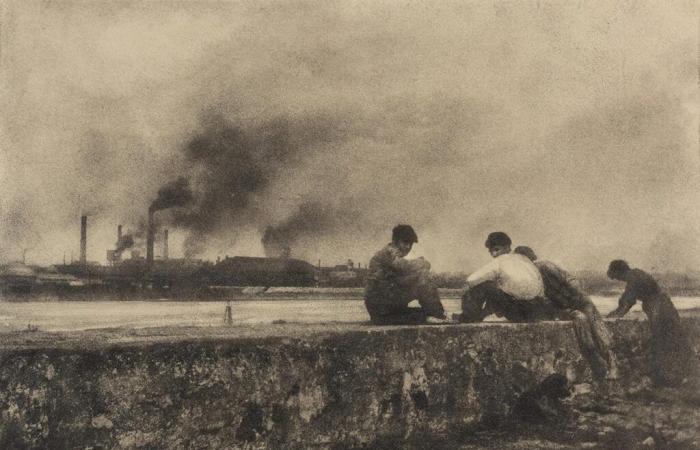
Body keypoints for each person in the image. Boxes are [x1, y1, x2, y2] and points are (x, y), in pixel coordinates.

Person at [514, 246, 617, 380]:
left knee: (596, 329)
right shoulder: (529, 276)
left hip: (577, 300)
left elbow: (570, 282)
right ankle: (599, 366)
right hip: (562, 306)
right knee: (581, 324)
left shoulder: (544, 266)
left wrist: (577, 300)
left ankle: (613, 365)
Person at [607, 260, 692, 387]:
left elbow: (628, 301)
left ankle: (668, 378)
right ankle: (676, 377)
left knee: (663, 341)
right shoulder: (636, 274)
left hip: (659, 309)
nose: (619, 280)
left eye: (617, 277)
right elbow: (627, 299)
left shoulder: (633, 278)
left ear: (620, 271)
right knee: (671, 340)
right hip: (663, 307)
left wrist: (614, 316)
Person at [458, 232, 551, 323]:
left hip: (517, 313)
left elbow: (471, 280)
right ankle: (480, 315)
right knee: (500, 289)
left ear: (507, 247)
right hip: (535, 312)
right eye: (491, 252)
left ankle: (469, 317)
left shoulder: (500, 260)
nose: (494, 254)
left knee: (485, 286)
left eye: (496, 249)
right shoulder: (525, 260)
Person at [364, 224, 448, 325]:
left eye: (411, 244)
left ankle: (436, 315)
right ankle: (438, 315)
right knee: (423, 276)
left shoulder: (391, 254)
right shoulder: (387, 252)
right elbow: (403, 266)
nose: (408, 247)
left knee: (423, 314)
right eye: (405, 242)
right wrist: (422, 263)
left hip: (384, 310)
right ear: (395, 241)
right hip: (382, 311)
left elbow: (402, 275)